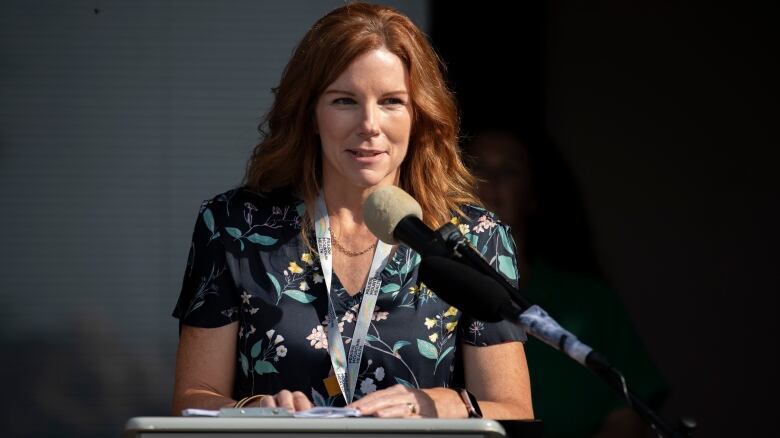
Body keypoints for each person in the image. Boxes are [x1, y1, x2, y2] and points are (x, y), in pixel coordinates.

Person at [170, 3, 533, 419]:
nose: (369, 124)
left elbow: (514, 411)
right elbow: (192, 399)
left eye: (392, 101)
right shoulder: (235, 227)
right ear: (309, 114)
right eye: (345, 100)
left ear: (420, 114)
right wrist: (255, 410)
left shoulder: (474, 236)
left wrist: (448, 403)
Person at [464, 129, 668, 437]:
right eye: (477, 166)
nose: (492, 179)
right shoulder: (418, 291)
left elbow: (626, 415)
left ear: (533, 196)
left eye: (510, 170)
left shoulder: (590, 302)